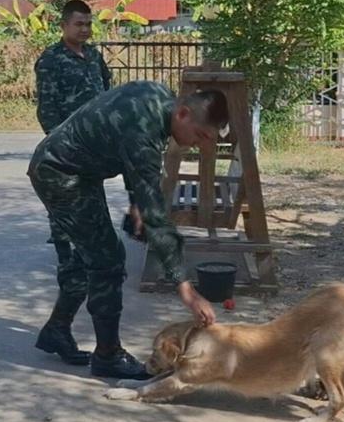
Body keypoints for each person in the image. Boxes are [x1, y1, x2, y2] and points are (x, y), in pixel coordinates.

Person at [29, 80, 227, 379]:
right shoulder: (145, 130)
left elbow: (126, 149)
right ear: (184, 114)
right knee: (107, 261)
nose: (198, 145)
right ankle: (108, 356)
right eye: (200, 136)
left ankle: (57, 330)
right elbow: (156, 215)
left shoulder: (158, 97)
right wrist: (185, 288)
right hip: (59, 174)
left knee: (87, 258)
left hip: (76, 170)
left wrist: (136, 200)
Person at [33, 0, 111, 366]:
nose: (85, 30)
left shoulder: (94, 58)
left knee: (88, 254)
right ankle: (58, 330)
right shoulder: (51, 61)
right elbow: (47, 113)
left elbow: (108, 102)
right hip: (63, 167)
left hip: (91, 167)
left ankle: (57, 328)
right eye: (79, 24)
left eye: (88, 24)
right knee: (74, 256)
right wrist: (70, 151)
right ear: (63, 25)